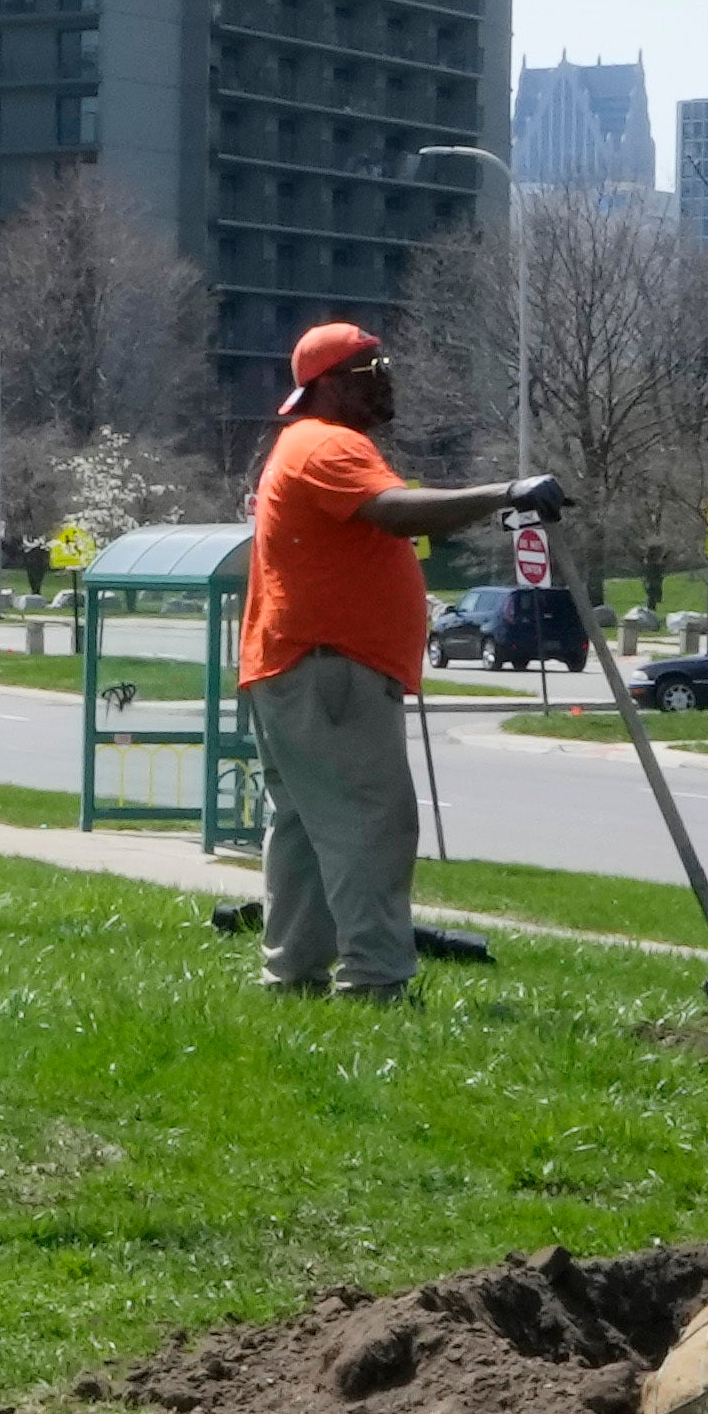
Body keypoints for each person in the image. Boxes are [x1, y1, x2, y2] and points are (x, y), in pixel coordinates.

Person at [237, 322, 559, 1003]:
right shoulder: (327, 444)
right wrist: (507, 493)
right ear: (327, 383)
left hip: (298, 665)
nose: (386, 377)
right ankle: (375, 982)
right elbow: (392, 512)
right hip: (329, 668)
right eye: (370, 366)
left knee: (304, 825)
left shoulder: (305, 445)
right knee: (369, 822)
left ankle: (291, 977)